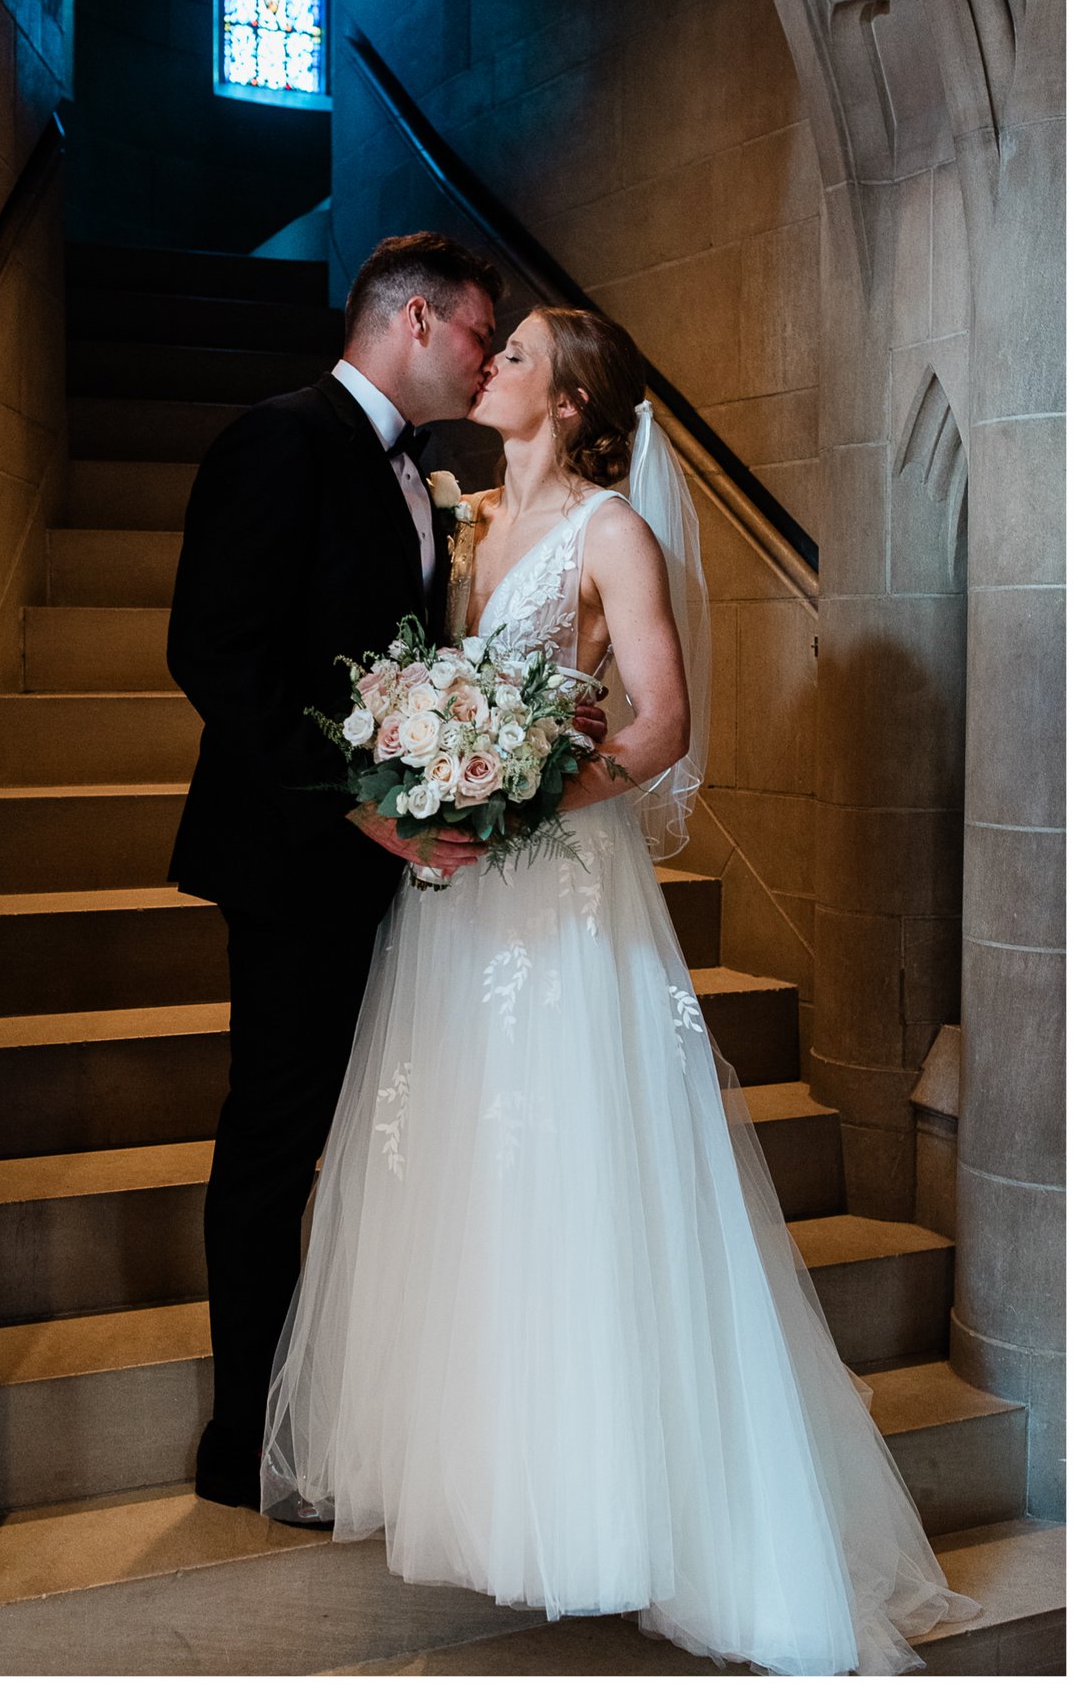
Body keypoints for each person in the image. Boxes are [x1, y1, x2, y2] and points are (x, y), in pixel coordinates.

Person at [261, 306, 977, 1673]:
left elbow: (659, 720)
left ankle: (631, 1503)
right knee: (474, 1178)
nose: (492, 366)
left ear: (576, 401)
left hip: (563, 901)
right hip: (459, 916)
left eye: (518, 354)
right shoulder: (462, 535)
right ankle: (506, 1487)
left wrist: (524, 798)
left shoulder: (612, 534)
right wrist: (434, 783)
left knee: (586, 1176)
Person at [166, 232, 509, 1508]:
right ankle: (241, 1442)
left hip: (396, 867)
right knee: (276, 1142)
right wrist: (360, 813)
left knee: (384, 1142)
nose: (484, 364)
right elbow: (214, 654)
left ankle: (351, 1404)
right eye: (479, 334)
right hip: (297, 864)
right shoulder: (280, 436)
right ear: (414, 320)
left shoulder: (419, 475)